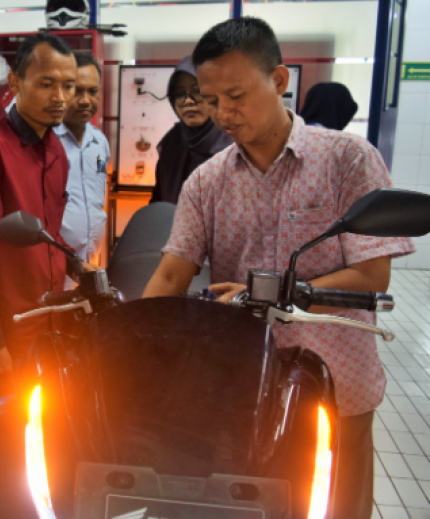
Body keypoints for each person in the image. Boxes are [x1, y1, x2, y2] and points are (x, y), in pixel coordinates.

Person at [141, 17, 413, 519]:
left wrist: (265, 294)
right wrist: (131, 339)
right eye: (211, 98)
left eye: (236, 95)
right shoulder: (207, 181)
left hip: (337, 384)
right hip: (243, 385)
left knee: (335, 506)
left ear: (280, 81)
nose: (223, 112)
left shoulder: (348, 160)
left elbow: (373, 276)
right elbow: (171, 275)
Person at [0, 32, 77, 399]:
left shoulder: (55, 150)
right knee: (6, 432)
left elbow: (48, 232)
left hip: (46, 321)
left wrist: (78, 265)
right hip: (6, 327)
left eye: (67, 86)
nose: (60, 98)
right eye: (46, 84)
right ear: (14, 83)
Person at [55, 52, 111, 287]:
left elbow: (99, 189)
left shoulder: (99, 142)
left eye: (92, 91)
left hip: (92, 260)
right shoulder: (47, 143)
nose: (85, 100)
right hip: (56, 263)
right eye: (76, 91)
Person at [149, 55, 231, 204]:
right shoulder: (171, 144)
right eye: (180, 94)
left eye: (198, 91)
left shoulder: (236, 146)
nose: (188, 101)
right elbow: (159, 200)